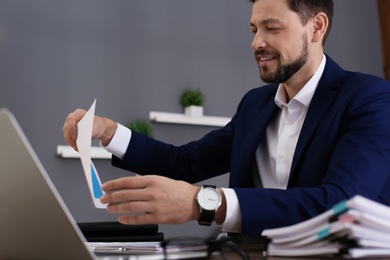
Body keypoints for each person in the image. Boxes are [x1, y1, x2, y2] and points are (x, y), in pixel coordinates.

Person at [63, 0, 390, 236]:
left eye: (272, 28)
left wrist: (205, 202)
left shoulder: (370, 99)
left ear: (317, 27)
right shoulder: (255, 104)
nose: (256, 43)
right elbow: (184, 164)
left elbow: (339, 204)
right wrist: (109, 132)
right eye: (254, 28)